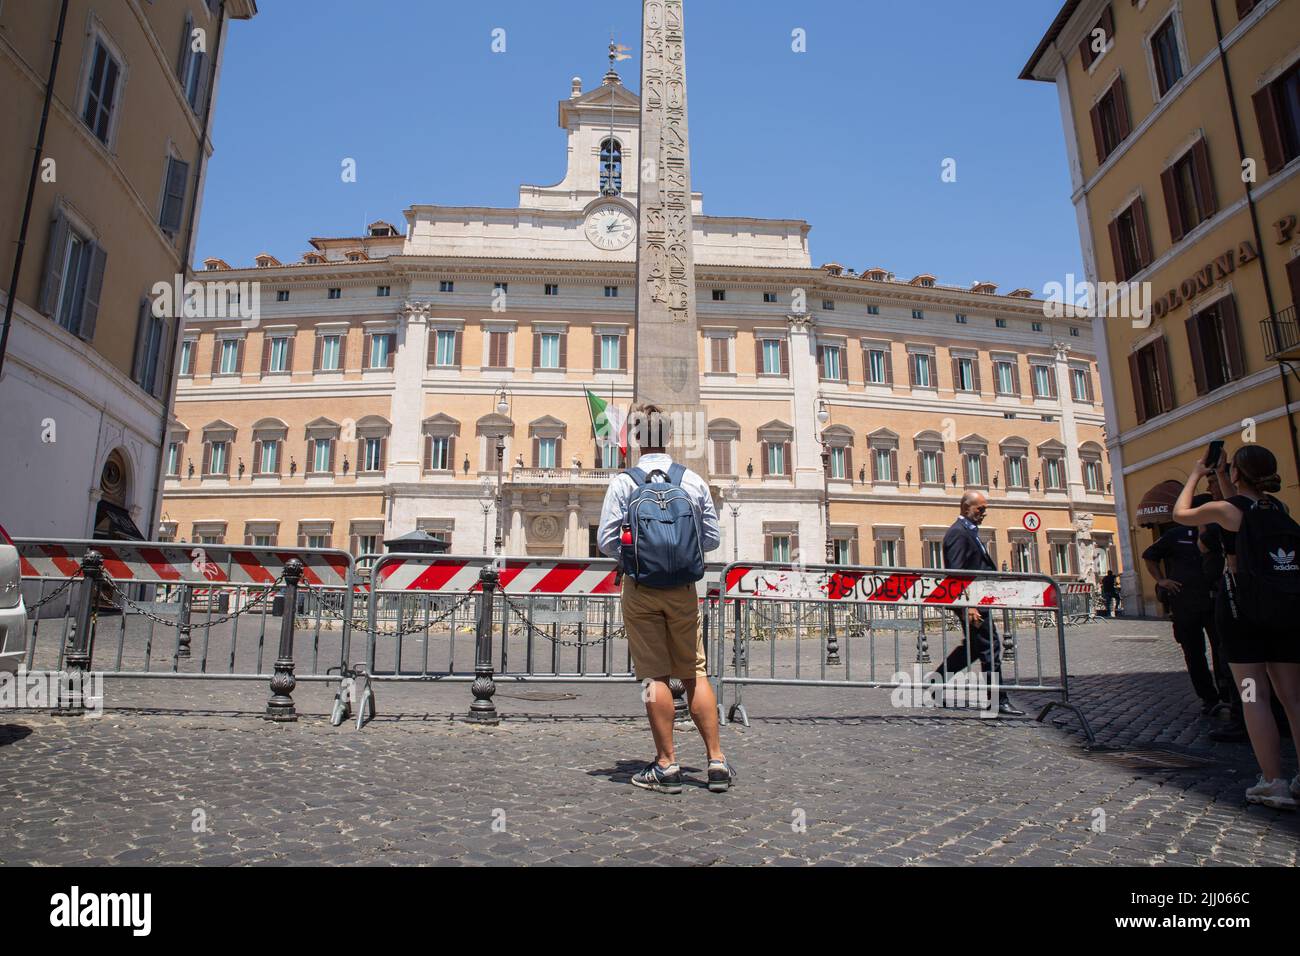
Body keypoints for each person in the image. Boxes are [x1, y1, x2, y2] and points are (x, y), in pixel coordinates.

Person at [597, 405, 734, 794]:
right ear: (669, 436)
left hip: (641, 589)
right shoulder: (692, 480)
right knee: (695, 672)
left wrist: (637, 555)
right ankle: (716, 760)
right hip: (683, 589)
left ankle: (666, 764)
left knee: (654, 676)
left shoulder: (624, 483)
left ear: (637, 438)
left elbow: (606, 539)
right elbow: (711, 538)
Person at [1173, 445, 1300, 810]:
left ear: (1239, 474)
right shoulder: (1278, 509)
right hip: (1285, 609)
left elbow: (1180, 513)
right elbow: (1245, 505)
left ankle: (1273, 781)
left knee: (1252, 695)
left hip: (1241, 610)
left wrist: (1198, 473)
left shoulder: (1226, 511)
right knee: (1293, 697)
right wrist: (1226, 477)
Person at [933, 490, 1024, 716]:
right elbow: (955, 573)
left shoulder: (969, 532)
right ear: (966, 508)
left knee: (974, 649)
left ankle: (934, 683)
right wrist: (969, 606)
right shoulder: (958, 533)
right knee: (990, 646)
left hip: (976, 600)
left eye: (985, 509)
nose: (984, 513)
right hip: (971, 603)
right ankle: (998, 700)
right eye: (980, 509)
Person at [1142, 506, 1225, 716]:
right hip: (1185, 602)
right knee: (1193, 652)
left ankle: (1229, 695)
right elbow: (1149, 555)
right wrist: (1162, 581)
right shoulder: (1176, 534)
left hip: (1216, 599)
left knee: (1223, 650)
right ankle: (1209, 697)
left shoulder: (1220, 531)